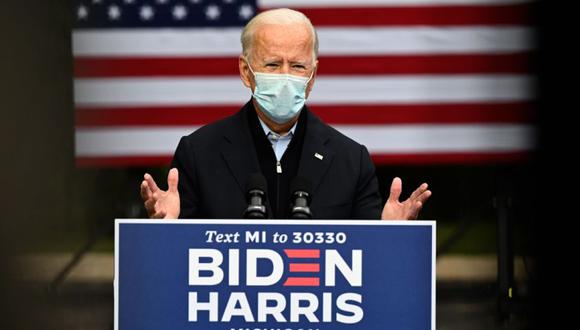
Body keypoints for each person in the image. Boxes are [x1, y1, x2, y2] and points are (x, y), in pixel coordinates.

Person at [140, 8, 431, 220]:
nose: (285, 76)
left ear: (313, 77)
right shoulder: (199, 153)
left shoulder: (351, 161)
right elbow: (177, 263)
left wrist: (391, 235)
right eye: (272, 64)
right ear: (246, 71)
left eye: (298, 66)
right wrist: (166, 228)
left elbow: (368, 261)